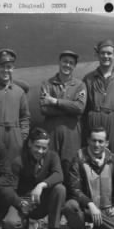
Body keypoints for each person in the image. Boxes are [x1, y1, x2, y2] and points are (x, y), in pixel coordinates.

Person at [62, 127, 114, 229]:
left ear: (106, 143)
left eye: (100, 141)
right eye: (93, 140)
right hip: (84, 208)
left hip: (106, 210)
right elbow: (74, 188)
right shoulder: (78, 158)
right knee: (70, 206)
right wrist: (90, 204)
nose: (96, 144)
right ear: (88, 140)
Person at [11, 127, 66, 229]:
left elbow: (59, 174)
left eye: (44, 148)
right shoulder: (18, 160)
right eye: (37, 146)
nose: (40, 151)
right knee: (12, 228)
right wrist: (20, 203)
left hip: (42, 202)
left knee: (60, 189)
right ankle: (25, 224)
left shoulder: (52, 156)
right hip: (23, 203)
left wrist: (41, 185)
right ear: (30, 143)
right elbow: (11, 189)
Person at [39, 50, 87, 186]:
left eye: (71, 63)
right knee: (50, 163)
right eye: (65, 61)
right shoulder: (47, 84)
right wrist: (69, 109)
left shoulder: (80, 85)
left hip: (71, 133)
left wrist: (55, 102)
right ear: (59, 63)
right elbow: (44, 108)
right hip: (52, 130)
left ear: (74, 66)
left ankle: (70, 200)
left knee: (70, 165)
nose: (67, 65)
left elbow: (79, 108)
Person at [83, 39, 114, 161]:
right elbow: (84, 107)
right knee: (93, 158)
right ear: (97, 55)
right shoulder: (88, 79)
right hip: (94, 120)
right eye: (102, 53)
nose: (106, 56)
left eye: (109, 53)